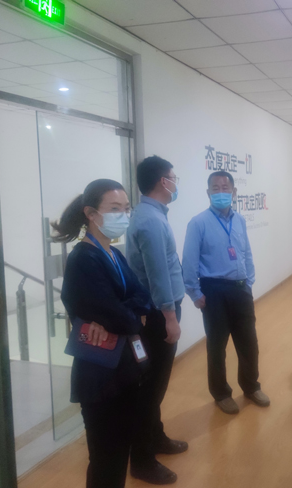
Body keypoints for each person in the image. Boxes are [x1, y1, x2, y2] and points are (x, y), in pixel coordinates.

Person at [54, 179, 161, 488]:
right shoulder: (83, 259)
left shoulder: (113, 254)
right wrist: (128, 315)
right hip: (100, 376)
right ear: (91, 213)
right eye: (115, 209)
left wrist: (122, 313)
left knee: (117, 452)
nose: (123, 215)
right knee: (106, 459)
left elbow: (144, 297)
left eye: (126, 209)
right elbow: (123, 317)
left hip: (123, 370)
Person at [182, 171, 270, 414]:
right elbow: (189, 261)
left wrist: (249, 281)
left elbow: (246, 252)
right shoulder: (198, 223)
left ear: (234, 192)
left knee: (249, 343)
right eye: (215, 188)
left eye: (225, 188)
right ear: (208, 192)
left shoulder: (239, 220)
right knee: (217, 346)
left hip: (240, 289)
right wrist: (194, 293)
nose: (221, 192)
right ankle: (221, 393)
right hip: (214, 291)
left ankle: (251, 387)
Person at [126, 156, 187, 484]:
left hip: (159, 311)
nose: (176, 183)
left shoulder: (152, 214)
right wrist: (170, 318)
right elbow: (158, 274)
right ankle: (142, 460)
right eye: (174, 177)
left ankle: (156, 437)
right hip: (159, 314)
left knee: (155, 385)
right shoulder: (151, 221)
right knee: (151, 389)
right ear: (164, 182)